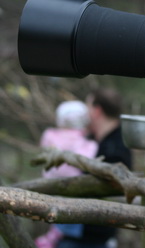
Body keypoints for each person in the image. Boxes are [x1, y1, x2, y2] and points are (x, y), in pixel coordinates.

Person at [57, 88, 132, 248]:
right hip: (77, 231)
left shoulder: (116, 148)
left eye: (88, 107)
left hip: (93, 235)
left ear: (97, 111)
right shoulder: (92, 140)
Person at [35, 100, 98, 248]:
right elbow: (89, 157)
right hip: (73, 184)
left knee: (56, 211)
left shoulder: (50, 135)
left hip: (49, 183)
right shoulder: (84, 140)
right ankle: (53, 237)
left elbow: (44, 148)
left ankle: (52, 236)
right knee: (70, 212)